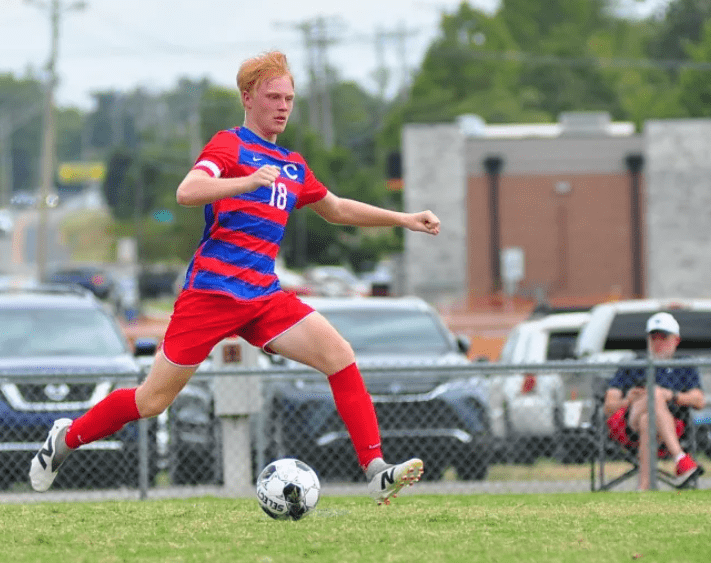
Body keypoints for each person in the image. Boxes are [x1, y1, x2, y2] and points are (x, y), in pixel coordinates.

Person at [29, 51, 440, 505]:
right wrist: (245, 181)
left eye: (289, 98)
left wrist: (404, 219)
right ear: (248, 98)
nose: (283, 106)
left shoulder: (292, 164)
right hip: (212, 293)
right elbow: (188, 191)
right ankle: (65, 440)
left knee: (339, 355)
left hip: (263, 296)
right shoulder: (229, 145)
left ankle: (376, 469)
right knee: (151, 402)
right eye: (273, 97)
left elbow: (338, 208)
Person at [602, 312, 705, 490]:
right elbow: (609, 405)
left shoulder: (685, 365)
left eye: (663, 337)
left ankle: (644, 489)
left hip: (673, 426)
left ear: (676, 340)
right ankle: (680, 457)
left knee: (648, 420)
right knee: (653, 395)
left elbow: (699, 401)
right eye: (653, 337)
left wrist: (671, 395)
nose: (657, 343)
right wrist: (628, 400)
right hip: (630, 423)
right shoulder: (633, 364)